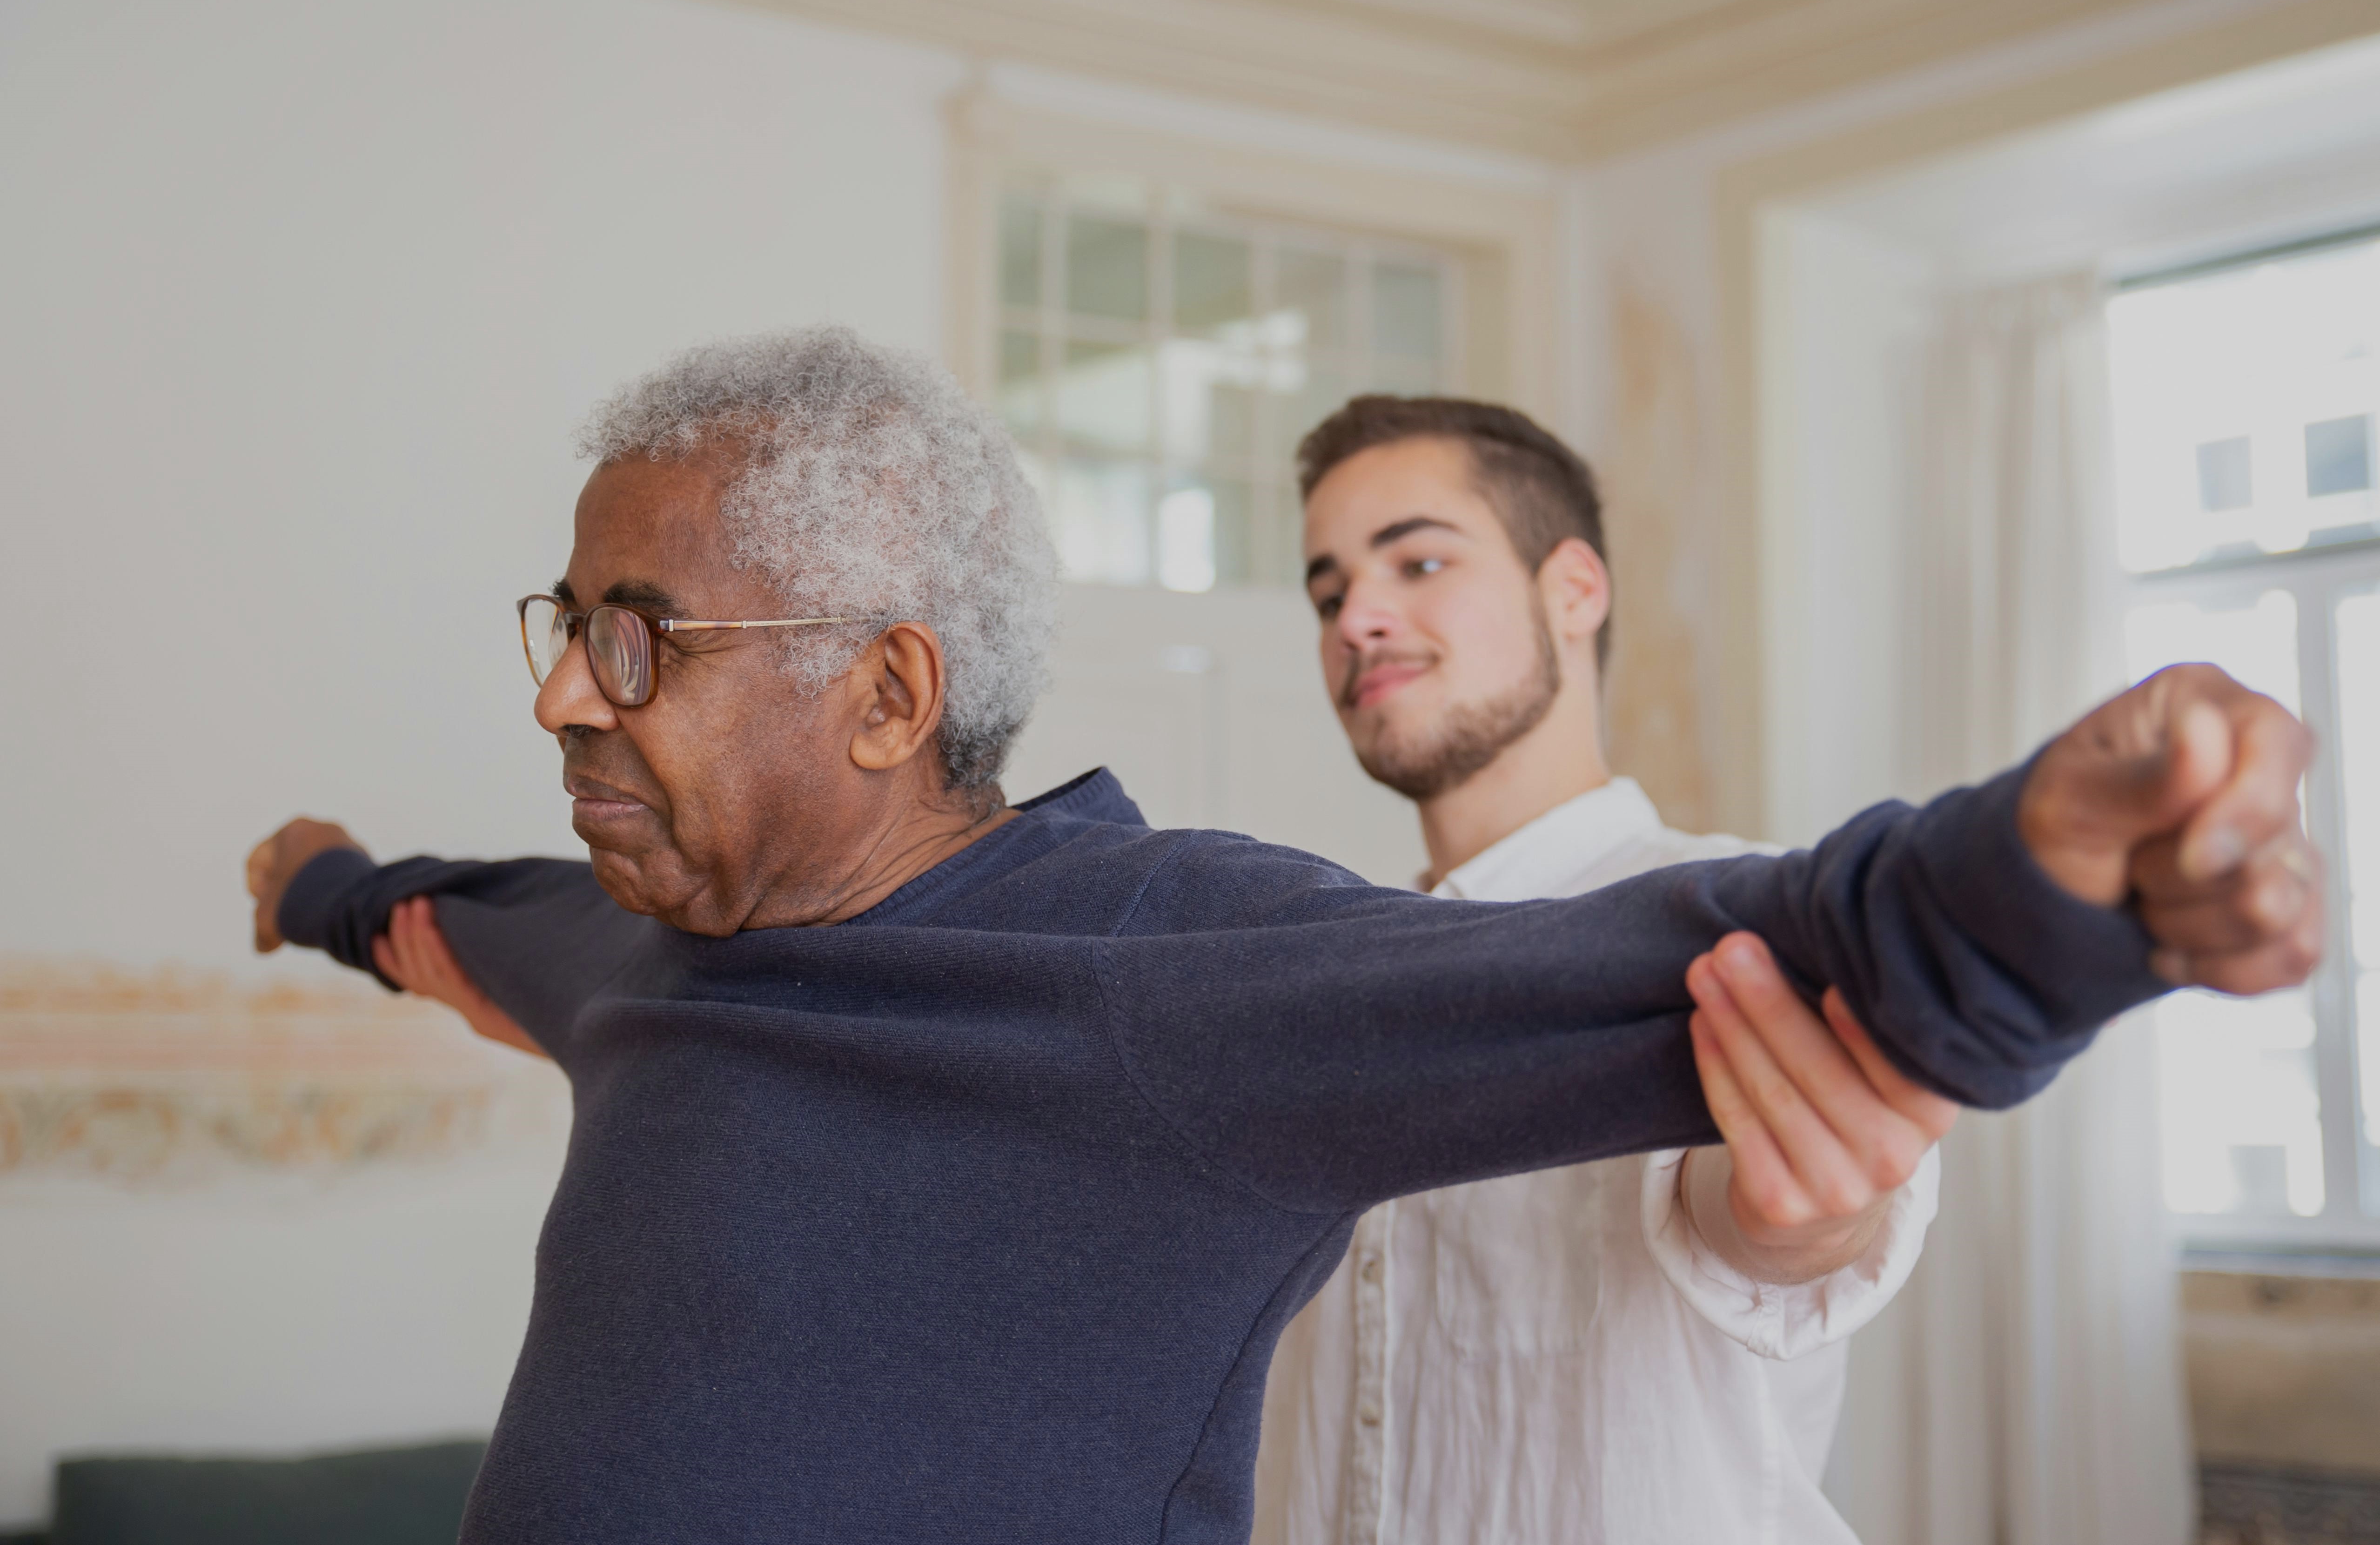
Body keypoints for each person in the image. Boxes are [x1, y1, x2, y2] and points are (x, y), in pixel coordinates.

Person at [244, 327, 2320, 1545]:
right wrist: (325, 888)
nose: (563, 698)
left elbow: (1719, 953)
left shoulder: (1168, 971)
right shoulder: (636, 960)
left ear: (885, 697)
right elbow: (467, 923)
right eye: (1328, 578)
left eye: (638, 641)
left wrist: (2070, 882)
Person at [1257, 397, 1956, 1544]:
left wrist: (1805, 1216)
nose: (1357, 620)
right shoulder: (1317, 975)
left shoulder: (1737, 922)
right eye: (1328, 593)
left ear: (1573, 589)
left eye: (1417, 561)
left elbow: (1773, 1231)